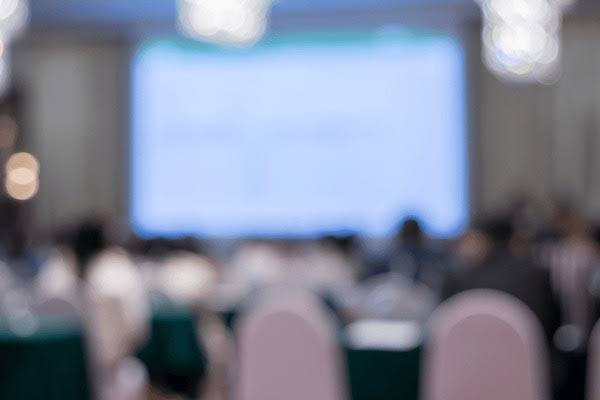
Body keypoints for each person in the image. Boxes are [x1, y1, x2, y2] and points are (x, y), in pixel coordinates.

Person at [441, 216, 561, 341]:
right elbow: (554, 322)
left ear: (482, 239)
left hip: (472, 349)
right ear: (514, 237)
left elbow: (446, 324)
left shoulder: (460, 278)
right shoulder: (538, 273)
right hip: (531, 349)